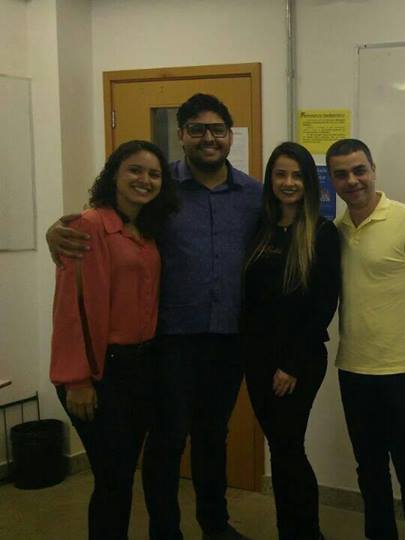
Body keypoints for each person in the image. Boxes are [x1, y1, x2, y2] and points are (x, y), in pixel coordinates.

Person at [47, 94, 261, 540]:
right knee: (166, 442)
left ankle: (215, 525)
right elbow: (103, 225)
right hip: (169, 343)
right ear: (182, 135)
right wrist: (56, 233)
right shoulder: (163, 191)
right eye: (197, 129)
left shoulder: (253, 196)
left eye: (217, 129)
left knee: (213, 438)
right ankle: (167, 531)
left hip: (228, 339)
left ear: (230, 135)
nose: (208, 138)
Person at [50, 140, 179, 539]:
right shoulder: (89, 226)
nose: (145, 180)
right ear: (114, 176)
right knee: (112, 479)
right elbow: (71, 308)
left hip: (140, 367)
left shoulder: (146, 230)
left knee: (122, 474)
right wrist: (77, 379)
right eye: (134, 170)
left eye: (154, 174)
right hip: (98, 371)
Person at [326, 138, 405, 540]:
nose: (352, 180)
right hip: (354, 369)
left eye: (359, 170)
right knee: (369, 469)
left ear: (373, 170)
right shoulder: (336, 231)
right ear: (332, 181)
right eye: (341, 174)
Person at [241, 142, 340, 540]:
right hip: (257, 359)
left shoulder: (322, 232)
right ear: (270, 179)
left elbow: (323, 305)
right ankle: (290, 531)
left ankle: (307, 532)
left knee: (288, 448)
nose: (288, 182)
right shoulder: (259, 227)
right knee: (281, 448)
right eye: (280, 174)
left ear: (309, 182)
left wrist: (292, 365)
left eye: (297, 175)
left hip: (299, 362)